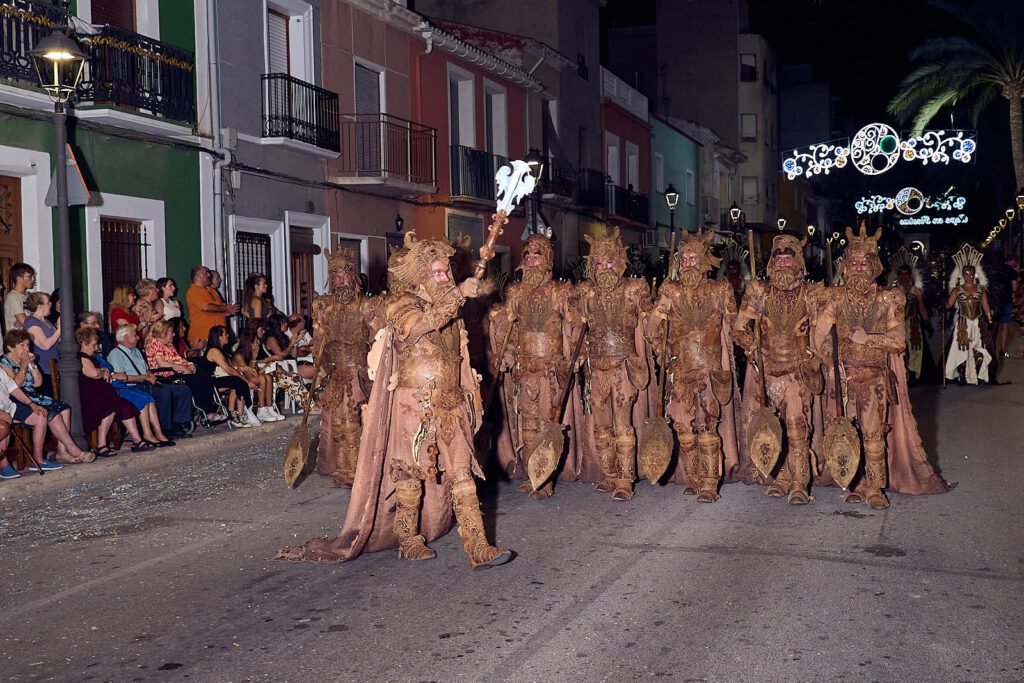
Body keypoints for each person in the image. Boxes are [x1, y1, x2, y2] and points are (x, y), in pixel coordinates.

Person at [276, 233, 511, 569]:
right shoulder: (400, 305)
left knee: (462, 473)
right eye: (439, 273)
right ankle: (408, 538)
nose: (446, 278)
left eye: (448, 273)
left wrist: (470, 397)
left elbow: (459, 357)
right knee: (410, 474)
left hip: (449, 402)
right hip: (412, 406)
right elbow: (419, 327)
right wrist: (458, 294)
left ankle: (478, 547)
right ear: (420, 275)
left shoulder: (453, 312)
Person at [814, 225, 955, 508]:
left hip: (873, 378)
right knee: (846, 432)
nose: (857, 268)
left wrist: (869, 339)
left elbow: (899, 341)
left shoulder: (889, 298)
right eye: (852, 263)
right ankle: (853, 482)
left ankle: (874, 486)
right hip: (842, 379)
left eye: (863, 263)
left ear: (873, 265)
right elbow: (819, 337)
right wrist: (830, 362)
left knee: (873, 433)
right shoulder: (834, 298)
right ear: (845, 266)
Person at [648, 230, 739, 502]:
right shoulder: (671, 292)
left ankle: (710, 482)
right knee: (683, 429)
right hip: (681, 369)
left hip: (709, 371)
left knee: (707, 426)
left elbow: (735, 324)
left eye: (693, 258)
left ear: (704, 261)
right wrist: (659, 346)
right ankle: (695, 476)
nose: (688, 263)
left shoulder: (720, 289)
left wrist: (750, 337)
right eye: (683, 258)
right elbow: (653, 325)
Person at [733, 234, 822, 504]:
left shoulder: (812, 293)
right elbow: (739, 329)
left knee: (796, 426)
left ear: (798, 262)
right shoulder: (758, 291)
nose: (783, 262)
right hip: (768, 370)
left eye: (788, 257)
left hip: (797, 371)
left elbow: (823, 331)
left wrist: (815, 354)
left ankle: (799, 483)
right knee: (776, 427)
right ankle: (782, 478)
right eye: (778, 257)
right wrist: (752, 349)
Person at [490, 234, 579, 500]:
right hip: (524, 367)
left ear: (547, 260)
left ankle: (546, 479)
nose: (530, 261)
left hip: (550, 369)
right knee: (527, 425)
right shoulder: (516, 293)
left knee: (546, 423)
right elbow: (507, 328)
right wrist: (503, 348)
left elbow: (573, 324)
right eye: (527, 256)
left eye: (536, 256)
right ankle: (533, 475)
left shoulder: (560, 292)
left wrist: (577, 330)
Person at [574, 227, 655, 501]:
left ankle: (625, 479)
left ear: (619, 262)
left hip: (623, 365)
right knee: (600, 424)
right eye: (599, 263)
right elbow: (575, 326)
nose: (604, 267)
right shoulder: (585, 292)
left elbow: (651, 320)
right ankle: (609, 475)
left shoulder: (634, 289)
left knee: (622, 423)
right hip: (597, 366)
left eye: (609, 262)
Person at [1, 329, 93, 464]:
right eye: (22, 345)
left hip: (34, 395)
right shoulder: (4, 363)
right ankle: (73, 449)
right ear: (10, 347)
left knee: (64, 408)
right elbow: (15, 385)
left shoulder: (26, 360)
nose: (26, 348)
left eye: (27, 345)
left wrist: (32, 365)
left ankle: (62, 452)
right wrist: (24, 367)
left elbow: (38, 383)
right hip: (17, 398)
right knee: (52, 413)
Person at [106, 323, 194, 439]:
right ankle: (165, 428)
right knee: (164, 393)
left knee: (183, 390)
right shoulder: (115, 354)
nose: (138, 338)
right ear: (126, 338)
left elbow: (146, 369)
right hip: (133, 386)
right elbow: (120, 378)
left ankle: (178, 424)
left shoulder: (137, 351)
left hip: (146, 382)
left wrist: (149, 375)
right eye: (135, 335)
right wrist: (144, 377)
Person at [76, 326, 152, 456]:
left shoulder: (92, 357)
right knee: (109, 408)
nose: (96, 348)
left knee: (126, 406)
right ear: (84, 344)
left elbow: (102, 373)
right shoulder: (81, 357)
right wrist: (103, 371)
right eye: (93, 345)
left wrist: (104, 371)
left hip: (105, 393)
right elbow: (94, 373)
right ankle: (101, 444)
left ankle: (137, 440)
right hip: (91, 396)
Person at [92, 338, 174, 448]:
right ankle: (147, 434)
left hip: (121, 384)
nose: (137, 338)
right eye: (94, 344)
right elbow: (115, 376)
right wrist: (111, 374)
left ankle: (158, 433)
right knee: (143, 399)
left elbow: (114, 372)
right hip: (115, 387)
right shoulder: (113, 354)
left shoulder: (96, 357)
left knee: (149, 398)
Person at [144, 320, 227, 425]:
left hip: (177, 371)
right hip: (165, 375)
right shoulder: (153, 343)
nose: (174, 334)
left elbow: (178, 359)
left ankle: (211, 409)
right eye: (171, 332)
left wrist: (189, 364)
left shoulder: (169, 344)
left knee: (204, 376)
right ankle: (207, 412)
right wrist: (182, 368)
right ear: (163, 333)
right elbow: (162, 364)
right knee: (195, 379)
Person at [0, 366, 63, 473]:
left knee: (40, 415)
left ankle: (38, 460)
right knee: (3, 426)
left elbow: (13, 389)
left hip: (9, 407)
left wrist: (32, 404)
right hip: (2, 413)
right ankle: (3, 465)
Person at [945, 247, 992, 385]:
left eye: (971, 274)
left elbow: (985, 306)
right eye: (966, 274)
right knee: (961, 348)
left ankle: (977, 374)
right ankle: (962, 376)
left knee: (978, 347)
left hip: (978, 322)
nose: (969, 276)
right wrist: (941, 299)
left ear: (974, 274)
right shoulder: (957, 289)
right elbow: (948, 305)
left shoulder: (981, 289)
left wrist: (990, 320)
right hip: (963, 323)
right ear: (962, 275)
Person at [888, 249, 929, 381]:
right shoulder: (892, 291)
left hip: (913, 323)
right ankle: (901, 371)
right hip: (896, 323)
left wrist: (927, 322)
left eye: (906, 274)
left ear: (910, 276)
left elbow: (921, 307)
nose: (904, 277)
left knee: (916, 347)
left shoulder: (916, 291)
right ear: (898, 276)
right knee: (899, 348)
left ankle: (913, 372)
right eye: (901, 274)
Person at [204, 325, 257, 428]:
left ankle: (239, 414)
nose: (228, 335)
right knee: (239, 381)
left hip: (220, 378)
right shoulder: (214, 351)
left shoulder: (222, 351)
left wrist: (246, 369)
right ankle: (233, 413)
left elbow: (232, 367)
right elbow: (229, 370)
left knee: (236, 381)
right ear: (219, 337)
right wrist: (246, 381)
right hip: (210, 382)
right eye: (225, 334)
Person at [232, 326, 280, 424]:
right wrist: (254, 358)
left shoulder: (248, 355)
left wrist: (265, 367)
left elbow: (255, 372)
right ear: (248, 343)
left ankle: (269, 408)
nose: (258, 345)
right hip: (241, 381)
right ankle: (261, 409)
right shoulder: (238, 355)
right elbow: (249, 375)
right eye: (256, 342)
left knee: (269, 377)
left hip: (250, 378)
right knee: (262, 378)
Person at [186, 266, 238, 348]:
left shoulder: (212, 291)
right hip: (203, 337)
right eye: (206, 273)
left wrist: (227, 311)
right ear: (198, 276)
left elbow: (218, 308)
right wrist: (225, 308)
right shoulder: (194, 291)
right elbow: (206, 307)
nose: (209, 275)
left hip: (219, 338)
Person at [22, 292, 60, 396]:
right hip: (42, 368)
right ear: (40, 306)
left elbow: (56, 340)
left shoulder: (46, 321)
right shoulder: (31, 321)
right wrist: (59, 330)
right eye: (48, 303)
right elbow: (45, 345)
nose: (51, 305)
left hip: (53, 368)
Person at [4, 262, 35, 332]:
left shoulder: (27, 295)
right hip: (18, 340)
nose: (32, 279)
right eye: (29, 276)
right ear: (19, 278)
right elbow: (25, 322)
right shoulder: (13, 297)